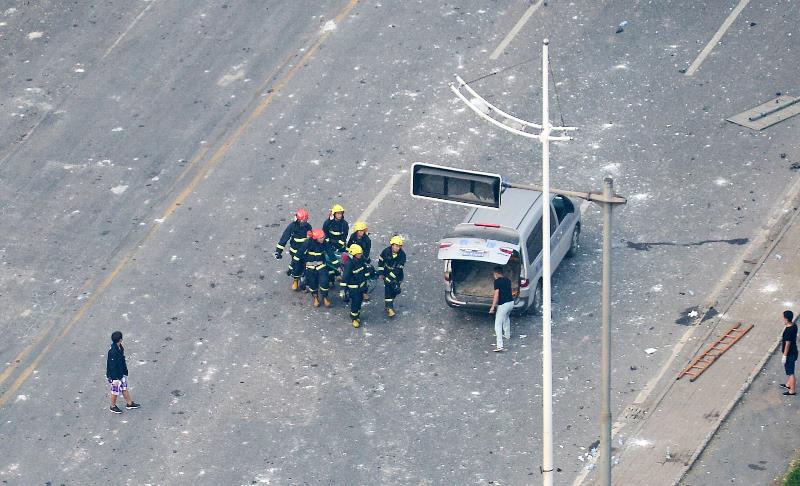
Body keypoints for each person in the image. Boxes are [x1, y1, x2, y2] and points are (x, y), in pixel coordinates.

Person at [298, 228, 337, 308]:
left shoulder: (324, 243)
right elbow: (300, 253)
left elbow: (330, 253)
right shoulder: (308, 242)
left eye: (323, 237)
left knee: (325, 281)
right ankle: (315, 297)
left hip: (321, 265)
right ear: (316, 238)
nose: (323, 239)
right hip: (310, 266)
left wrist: (338, 265)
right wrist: (294, 266)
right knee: (312, 283)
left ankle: (325, 297)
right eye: (321, 238)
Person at [275, 208, 312, 291]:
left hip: (306, 252)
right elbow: (285, 237)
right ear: (298, 219)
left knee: (307, 266)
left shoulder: (308, 226)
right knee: (296, 266)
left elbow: (311, 239)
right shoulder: (292, 226)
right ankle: (295, 280)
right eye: (302, 220)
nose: (304, 222)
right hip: (295, 252)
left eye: (305, 220)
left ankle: (305, 281)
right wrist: (278, 251)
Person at [106, 331, 140, 414]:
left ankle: (129, 403)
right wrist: (115, 378)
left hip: (120, 373)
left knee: (124, 388)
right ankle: (112, 406)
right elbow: (112, 366)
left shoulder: (119, 347)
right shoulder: (113, 351)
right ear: (120, 339)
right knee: (115, 391)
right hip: (116, 376)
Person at [340, 243, 371, 328]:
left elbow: (365, 269)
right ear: (353, 254)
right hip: (354, 288)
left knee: (359, 301)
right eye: (358, 254)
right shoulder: (349, 264)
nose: (360, 255)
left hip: (361, 286)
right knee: (356, 301)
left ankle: (357, 314)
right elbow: (345, 277)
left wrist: (367, 279)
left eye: (360, 253)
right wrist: (343, 290)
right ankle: (354, 317)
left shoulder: (361, 260)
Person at [377, 235, 406, 318]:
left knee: (395, 291)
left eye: (399, 247)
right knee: (388, 291)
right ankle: (389, 307)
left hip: (397, 276)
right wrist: (381, 272)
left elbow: (398, 270)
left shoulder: (402, 255)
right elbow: (381, 262)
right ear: (392, 245)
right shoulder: (385, 252)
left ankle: (390, 303)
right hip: (387, 273)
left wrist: (389, 278)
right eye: (396, 246)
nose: (397, 248)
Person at [489, 266, 514, 352]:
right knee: (506, 318)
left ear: (496, 273)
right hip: (511, 303)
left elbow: (496, 294)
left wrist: (493, 306)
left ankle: (499, 345)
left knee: (498, 324)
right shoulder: (508, 280)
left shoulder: (497, 282)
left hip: (503, 304)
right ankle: (507, 335)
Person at [347, 221, 372, 301]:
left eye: (363, 231)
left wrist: (363, 259)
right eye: (360, 231)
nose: (362, 233)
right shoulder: (353, 236)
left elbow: (367, 252)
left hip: (361, 258)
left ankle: (364, 292)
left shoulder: (367, 240)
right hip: (353, 257)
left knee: (362, 276)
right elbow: (348, 246)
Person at [780, 310, 797, 396]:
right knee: (790, 370)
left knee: (791, 373)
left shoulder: (788, 331)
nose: (782, 318)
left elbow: (787, 344)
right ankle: (788, 385)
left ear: (786, 318)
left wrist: (784, 356)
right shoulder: (794, 326)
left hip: (790, 354)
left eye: (783, 317)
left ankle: (792, 391)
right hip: (794, 351)